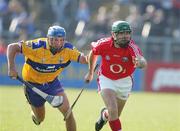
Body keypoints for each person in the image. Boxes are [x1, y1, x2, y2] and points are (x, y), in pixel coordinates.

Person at [7, 25, 88, 131]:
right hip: (32, 85)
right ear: (48, 38)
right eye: (55, 40)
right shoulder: (36, 46)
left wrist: (92, 58)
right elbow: (12, 47)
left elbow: (83, 59)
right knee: (40, 118)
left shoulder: (68, 49)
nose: (58, 43)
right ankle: (34, 113)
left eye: (61, 40)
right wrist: (11, 67)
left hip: (52, 84)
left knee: (68, 112)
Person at [85, 20, 147, 131]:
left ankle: (104, 115)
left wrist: (140, 62)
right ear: (114, 35)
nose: (125, 36)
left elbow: (141, 60)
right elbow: (93, 53)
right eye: (121, 33)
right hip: (106, 79)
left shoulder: (132, 47)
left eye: (127, 33)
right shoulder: (103, 44)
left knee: (115, 114)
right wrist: (90, 72)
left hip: (125, 81)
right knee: (113, 109)